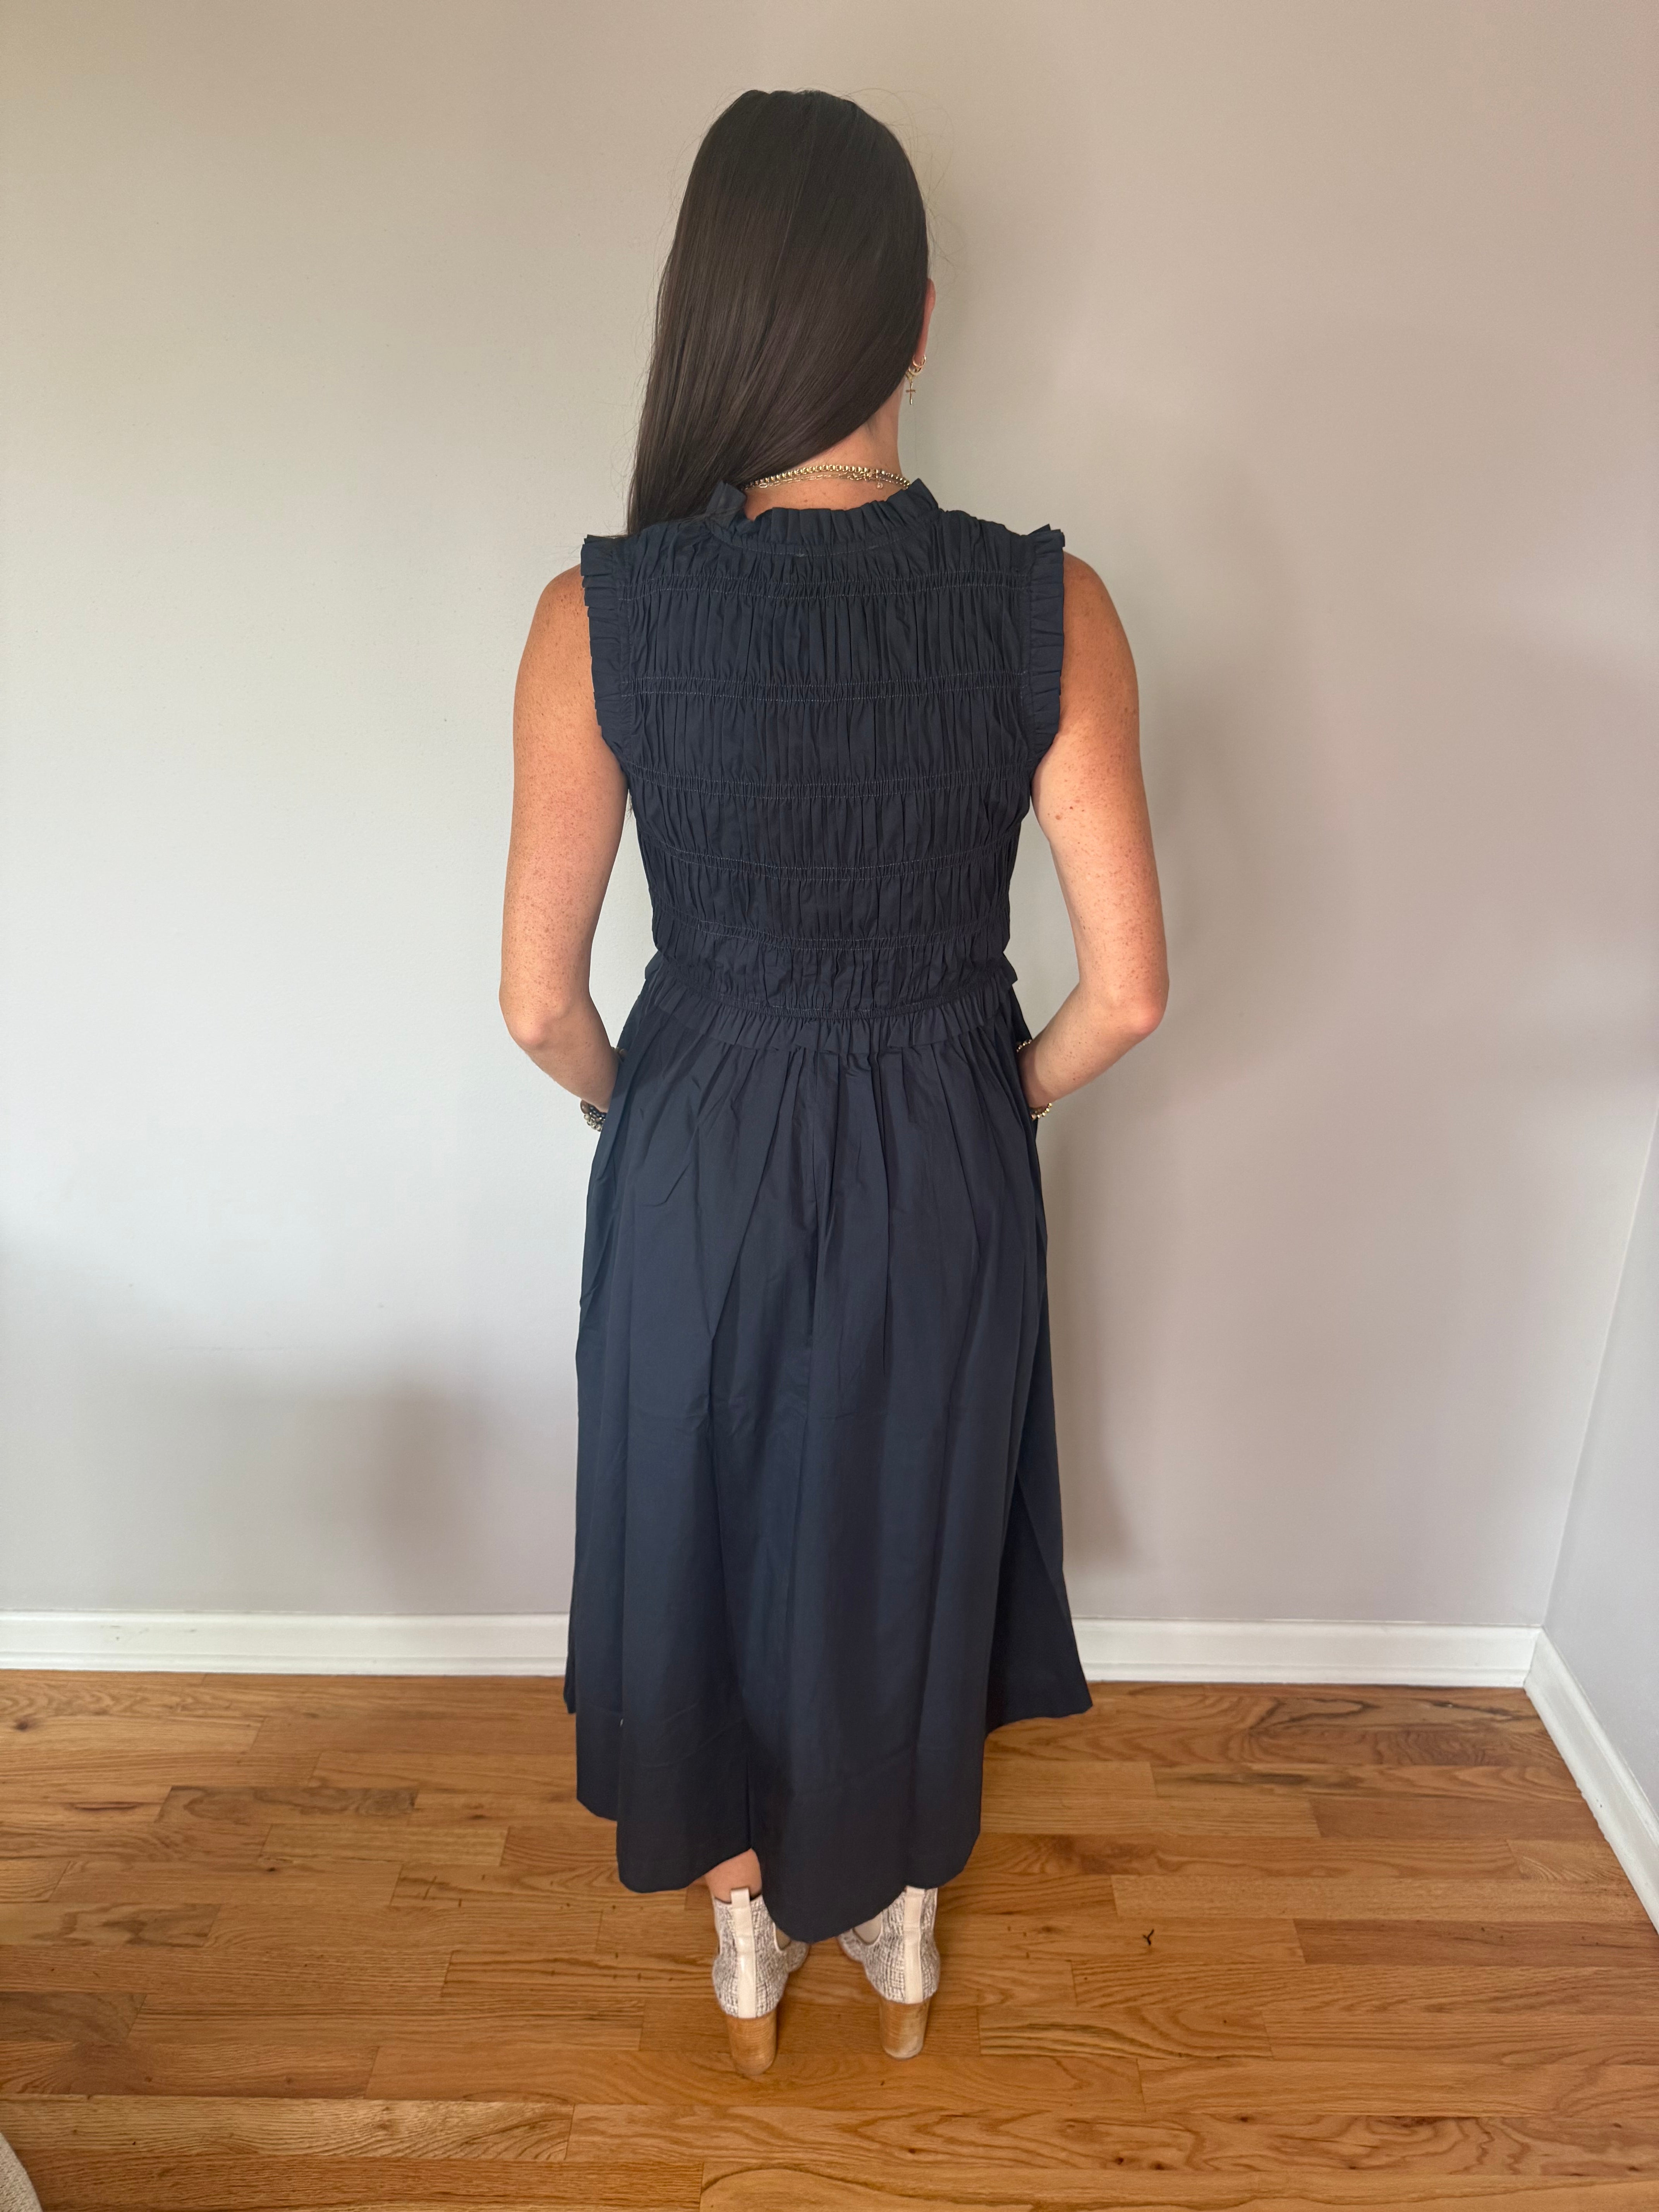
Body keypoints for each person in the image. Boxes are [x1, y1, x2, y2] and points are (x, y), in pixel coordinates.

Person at [500, 87, 1166, 2076]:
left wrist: (641, 1114)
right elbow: (1129, 993)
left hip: (697, 1140)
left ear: (708, 315)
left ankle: (740, 1938)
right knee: (905, 1517)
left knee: (699, 1522)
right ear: (919, 323)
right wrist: (999, 1095)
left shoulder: (600, 614)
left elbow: (537, 1005)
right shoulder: (1049, 604)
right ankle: (897, 1920)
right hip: (945, 1135)